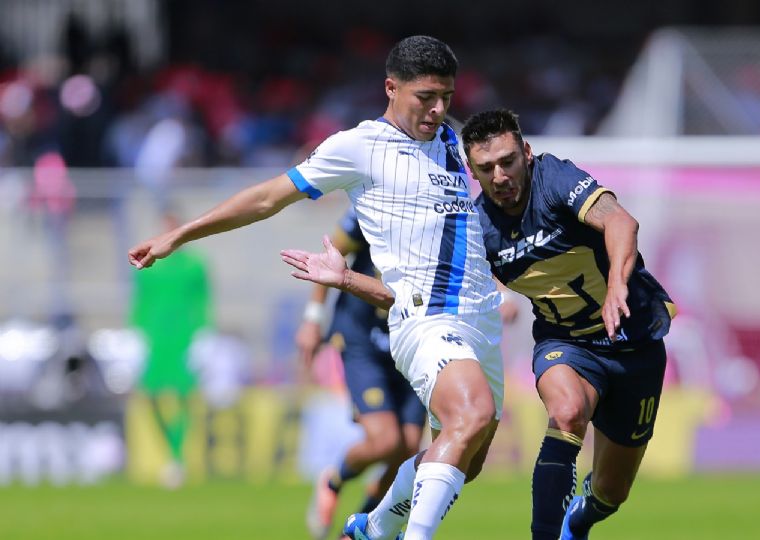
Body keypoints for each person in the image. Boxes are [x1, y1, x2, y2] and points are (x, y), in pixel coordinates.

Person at [130, 35, 504, 540]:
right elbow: (266, 198)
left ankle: (370, 528)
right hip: (424, 317)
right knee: (471, 415)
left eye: (447, 98)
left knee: (466, 454)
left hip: (479, 319)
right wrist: (180, 233)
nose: (438, 109)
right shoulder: (359, 147)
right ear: (391, 88)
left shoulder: (454, 141)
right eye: (426, 97)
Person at [461, 109, 676, 539]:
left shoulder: (554, 179)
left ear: (526, 152)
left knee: (612, 493)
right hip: (566, 344)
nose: (500, 175)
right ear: (473, 172)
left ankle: (580, 519)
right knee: (566, 412)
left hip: (634, 341)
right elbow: (460, 289)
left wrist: (617, 285)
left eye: (507, 161)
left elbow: (620, 221)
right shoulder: (477, 227)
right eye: (486, 168)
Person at [298, 208, 426, 539]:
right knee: (386, 441)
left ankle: (365, 526)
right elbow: (332, 254)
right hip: (362, 340)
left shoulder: (436, 209)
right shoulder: (371, 207)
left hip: (411, 341)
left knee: (408, 450)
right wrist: (313, 318)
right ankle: (333, 479)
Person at [129, 209, 212, 488]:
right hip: (155, 339)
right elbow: (139, 302)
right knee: (151, 395)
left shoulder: (194, 266)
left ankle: (177, 457)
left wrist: (203, 334)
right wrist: (136, 334)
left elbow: (203, 302)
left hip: (183, 338)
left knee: (185, 396)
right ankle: (172, 451)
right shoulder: (148, 267)